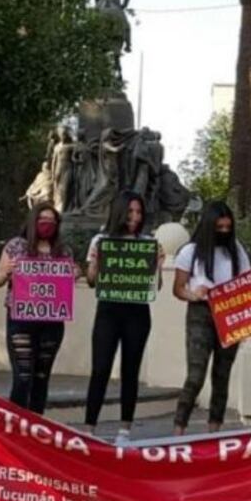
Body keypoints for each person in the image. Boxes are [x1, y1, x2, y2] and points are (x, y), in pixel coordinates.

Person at [172, 201, 251, 435]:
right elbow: (178, 288)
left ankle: (214, 431)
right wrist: (193, 294)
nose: (224, 232)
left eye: (227, 227)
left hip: (230, 312)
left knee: (222, 375)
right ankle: (178, 429)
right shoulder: (190, 251)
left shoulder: (236, 250)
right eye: (219, 227)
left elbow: (246, 283)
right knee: (196, 375)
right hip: (201, 311)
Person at [84, 191, 164, 445]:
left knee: (131, 369)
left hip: (137, 313)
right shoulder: (101, 240)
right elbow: (91, 280)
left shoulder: (148, 242)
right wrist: (95, 263)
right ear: (119, 212)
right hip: (108, 311)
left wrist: (158, 265)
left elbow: (155, 285)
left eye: (139, 212)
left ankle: (125, 430)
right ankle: (89, 429)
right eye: (130, 211)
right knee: (100, 368)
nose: (135, 217)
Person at [0, 202, 74, 413]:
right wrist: (7, 270)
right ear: (32, 221)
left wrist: (75, 273)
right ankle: (16, 424)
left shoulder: (63, 251)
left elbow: (68, 281)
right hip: (20, 320)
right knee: (22, 376)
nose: (47, 224)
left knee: (41, 377)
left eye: (52, 221)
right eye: (42, 220)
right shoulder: (16, 246)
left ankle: (37, 423)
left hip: (52, 322)